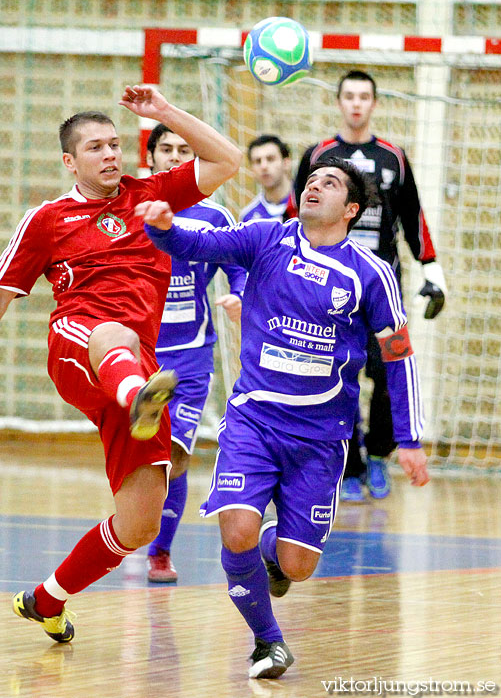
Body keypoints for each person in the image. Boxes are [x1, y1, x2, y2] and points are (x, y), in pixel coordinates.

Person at [0, 84, 241, 643]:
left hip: (136, 366)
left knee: (140, 523)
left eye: (115, 144)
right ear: (69, 160)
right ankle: (139, 398)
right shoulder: (47, 219)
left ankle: (46, 599)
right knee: (111, 333)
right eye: (96, 147)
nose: (110, 155)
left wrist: (164, 113)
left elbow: (228, 159)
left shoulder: (151, 194)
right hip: (79, 345)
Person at [136, 156, 430, 679]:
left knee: (296, 566)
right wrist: (164, 225)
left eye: (331, 183)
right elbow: (197, 245)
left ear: (351, 209)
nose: (315, 186)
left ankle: (276, 544)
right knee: (236, 529)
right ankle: (268, 641)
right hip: (254, 419)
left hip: (321, 437)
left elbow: (398, 353)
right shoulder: (268, 238)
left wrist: (407, 436)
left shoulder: (371, 274)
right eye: (312, 180)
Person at [294, 70, 446, 502]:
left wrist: (432, 269)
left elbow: (414, 216)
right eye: (349, 96)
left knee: (386, 369)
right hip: (327, 284)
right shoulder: (319, 155)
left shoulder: (393, 157)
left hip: (381, 284)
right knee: (336, 369)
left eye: (364, 97)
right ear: (339, 102)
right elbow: (295, 214)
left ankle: (379, 456)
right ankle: (350, 464)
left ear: (374, 103)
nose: (356, 104)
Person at [145, 123, 247, 582]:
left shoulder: (214, 217)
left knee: (177, 451)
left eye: (184, 149)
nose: (174, 156)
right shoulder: (131, 212)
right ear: (150, 158)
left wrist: (240, 297)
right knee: (146, 463)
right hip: (139, 351)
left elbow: (238, 266)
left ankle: (160, 552)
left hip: (189, 355)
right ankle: (137, 528)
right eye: (165, 149)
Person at [240, 135, 294, 222]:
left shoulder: (306, 203)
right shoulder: (248, 216)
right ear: (251, 169)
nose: (263, 166)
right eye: (258, 161)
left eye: (270, 159)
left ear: (286, 163)